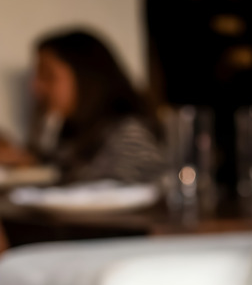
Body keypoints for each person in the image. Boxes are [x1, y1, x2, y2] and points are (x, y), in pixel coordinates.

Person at [0, 30, 165, 185]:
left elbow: (141, 191)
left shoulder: (129, 131)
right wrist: (27, 160)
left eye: (48, 76)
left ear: (86, 77)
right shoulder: (74, 134)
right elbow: (62, 172)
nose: (36, 87)